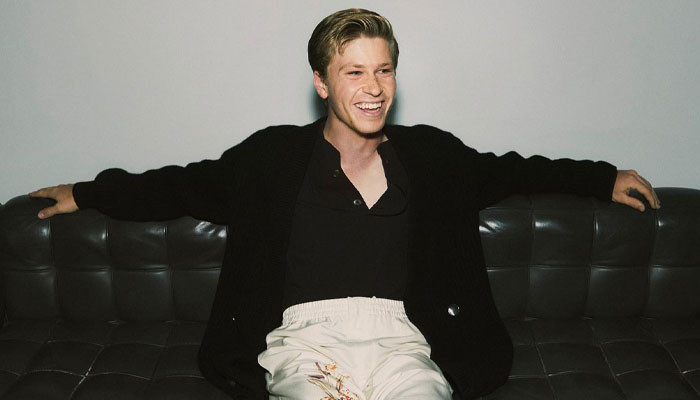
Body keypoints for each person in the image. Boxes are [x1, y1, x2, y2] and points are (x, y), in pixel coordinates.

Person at [30, 8, 660, 400]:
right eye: (354, 72)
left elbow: (514, 170)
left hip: (406, 340)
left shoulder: (433, 157)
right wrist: (85, 192)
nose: (373, 88)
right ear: (322, 82)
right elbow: (179, 185)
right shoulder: (271, 158)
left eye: (383, 70)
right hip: (303, 340)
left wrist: (602, 177)